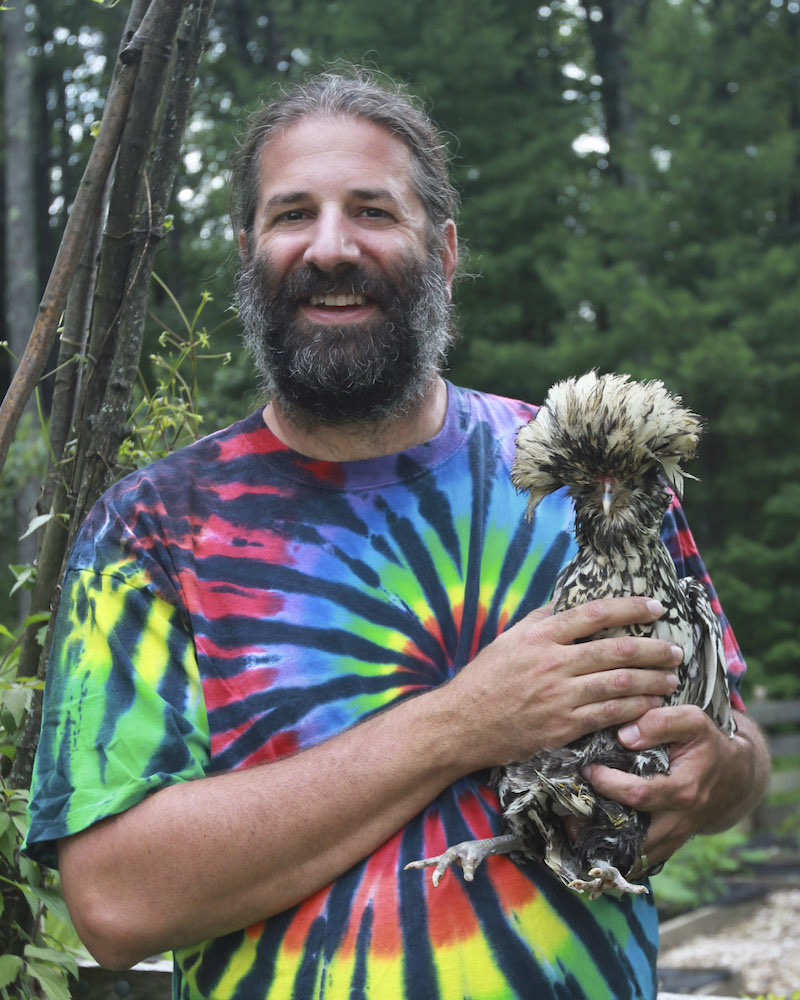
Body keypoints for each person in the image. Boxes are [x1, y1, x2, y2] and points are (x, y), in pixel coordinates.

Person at [24, 68, 770, 1000]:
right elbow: (115, 904)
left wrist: (723, 773)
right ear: (246, 249)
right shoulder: (154, 530)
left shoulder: (590, 465)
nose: (330, 248)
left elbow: (734, 736)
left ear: (445, 249)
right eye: (293, 213)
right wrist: (463, 721)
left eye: (372, 211)